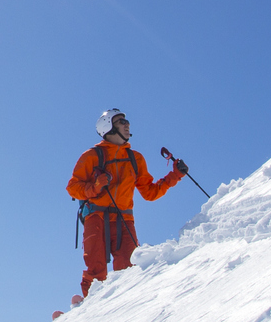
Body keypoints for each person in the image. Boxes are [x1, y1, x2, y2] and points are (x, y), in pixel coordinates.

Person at [65, 109, 184, 305]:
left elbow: (150, 193)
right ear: (108, 127)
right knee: (96, 268)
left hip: (124, 218)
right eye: (122, 121)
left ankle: (126, 309)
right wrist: (95, 187)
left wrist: (175, 176)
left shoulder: (135, 159)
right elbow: (73, 188)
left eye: (126, 121)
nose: (127, 124)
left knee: (129, 267)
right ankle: (88, 309)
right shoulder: (92, 156)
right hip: (96, 217)